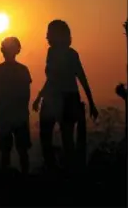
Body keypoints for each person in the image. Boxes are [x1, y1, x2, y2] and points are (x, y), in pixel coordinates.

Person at [32, 20, 98, 173]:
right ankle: (64, 171)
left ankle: (61, 172)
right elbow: (73, 78)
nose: (46, 36)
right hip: (62, 98)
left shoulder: (64, 53)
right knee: (61, 139)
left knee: (54, 139)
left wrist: (92, 103)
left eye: (49, 33)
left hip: (62, 99)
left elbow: (78, 77)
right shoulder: (63, 53)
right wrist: (40, 96)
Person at [0, 37, 32, 175]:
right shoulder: (22, 70)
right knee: (20, 150)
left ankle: (7, 178)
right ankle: (22, 178)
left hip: (6, 114)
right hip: (15, 115)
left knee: (8, 150)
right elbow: (26, 95)